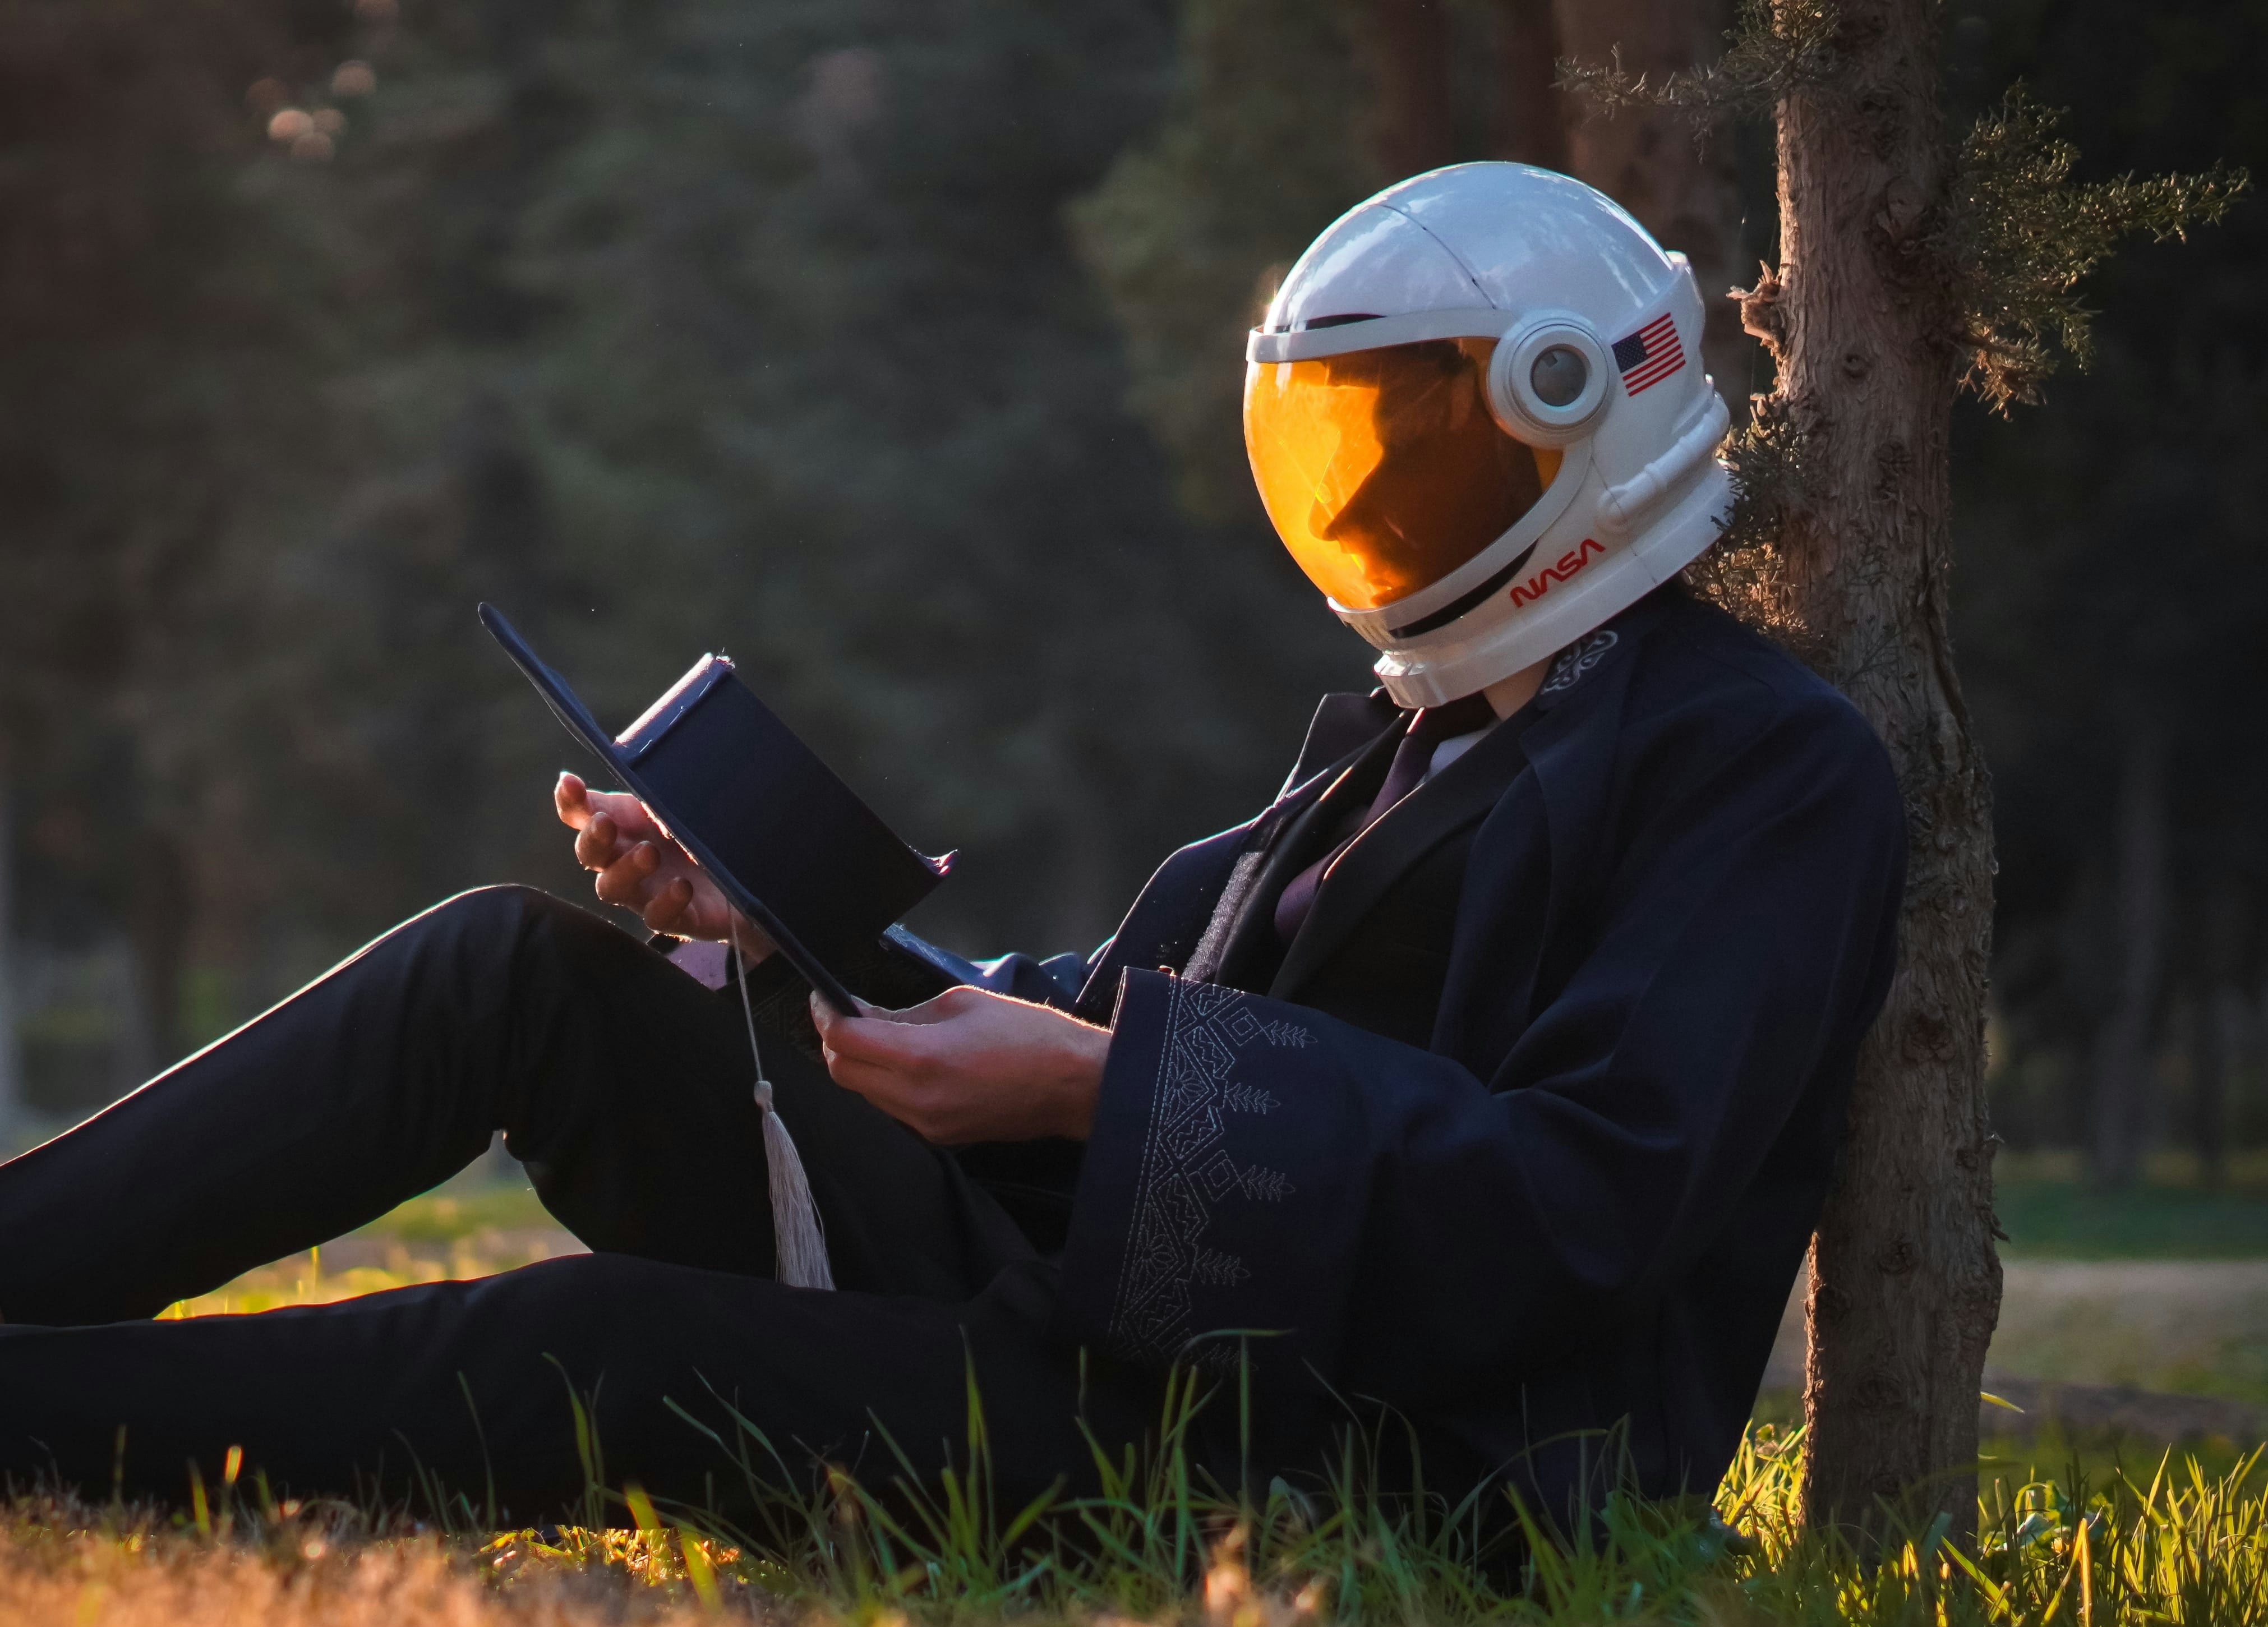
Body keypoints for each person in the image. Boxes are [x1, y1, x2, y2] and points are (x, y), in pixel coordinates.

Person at [0, 164, 1902, 1528]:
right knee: (505, 972)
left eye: (1416, 433)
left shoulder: (1760, 768)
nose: (1376, 490)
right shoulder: (1418, 732)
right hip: (1097, 1308)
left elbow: (1577, 1210)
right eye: (1341, 437)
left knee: (606, 1347)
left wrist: (1094, 1089)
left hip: (1319, 1459)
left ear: (1575, 402)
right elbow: (1109, 1025)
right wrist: (781, 926)